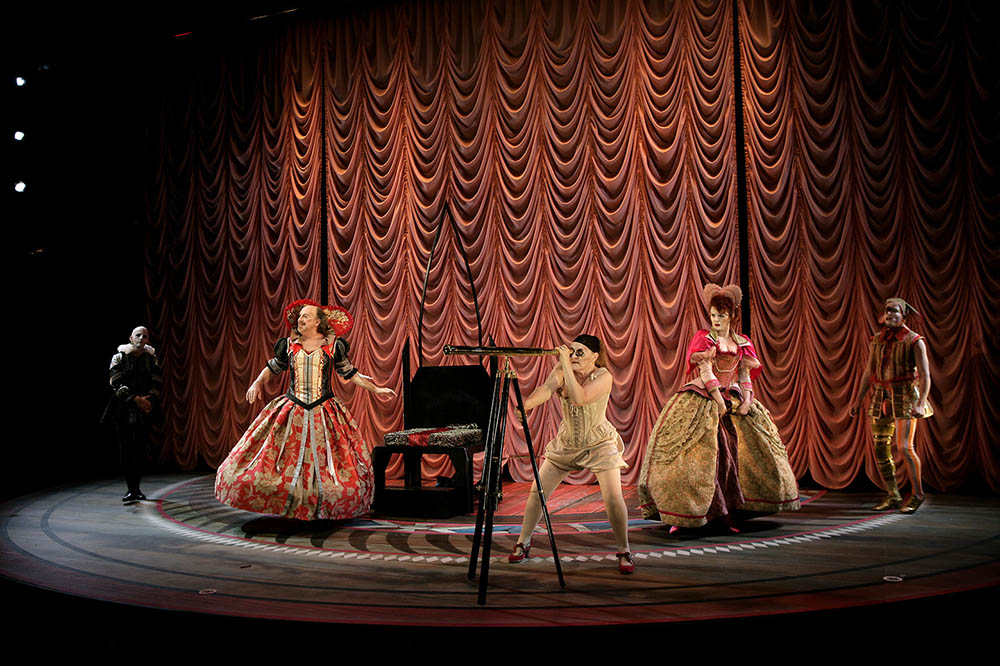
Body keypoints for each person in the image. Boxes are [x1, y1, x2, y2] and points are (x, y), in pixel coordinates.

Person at [638, 283, 800, 532]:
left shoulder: (742, 342)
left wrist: (746, 401)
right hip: (705, 397)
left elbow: (744, 374)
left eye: (721, 316)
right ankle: (686, 514)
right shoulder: (705, 339)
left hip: (733, 398)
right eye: (713, 315)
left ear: (732, 316)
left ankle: (730, 511)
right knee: (694, 457)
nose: (716, 320)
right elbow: (704, 371)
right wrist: (717, 399)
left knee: (738, 456)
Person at [215, 299, 395, 521]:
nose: (300, 319)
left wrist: (376, 389)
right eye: (299, 317)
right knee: (283, 459)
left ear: (318, 322)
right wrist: (256, 383)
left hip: (324, 408)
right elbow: (272, 368)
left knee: (326, 461)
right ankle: (291, 505)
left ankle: (319, 507)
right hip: (293, 407)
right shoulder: (289, 346)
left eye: (306, 316)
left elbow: (350, 374)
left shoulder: (333, 346)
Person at [507, 335, 635, 574]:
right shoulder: (563, 369)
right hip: (567, 443)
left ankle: (624, 550)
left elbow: (580, 398)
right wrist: (526, 406)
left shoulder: (604, 376)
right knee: (537, 491)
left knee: (613, 498)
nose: (574, 356)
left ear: (595, 357)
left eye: (580, 352)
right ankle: (523, 542)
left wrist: (564, 362)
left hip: (599, 443)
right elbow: (546, 389)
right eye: (571, 351)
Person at [850, 297, 932, 514]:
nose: (890, 315)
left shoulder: (915, 341)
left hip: (905, 396)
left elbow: (924, 375)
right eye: (887, 311)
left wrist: (921, 402)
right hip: (881, 397)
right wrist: (858, 401)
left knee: (905, 447)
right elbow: (869, 372)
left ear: (904, 315)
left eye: (894, 311)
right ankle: (893, 494)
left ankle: (917, 494)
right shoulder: (877, 340)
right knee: (880, 447)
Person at [103, 326, 162, 504]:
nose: (141, 338)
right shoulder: (119, 358)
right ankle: (130, 489)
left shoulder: (151, 359)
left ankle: (136, 488)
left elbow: (157, 382)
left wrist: (149, 399)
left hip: (144, 410)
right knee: (126, 450)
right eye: (138, 335)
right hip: (124, 409)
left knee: (140, 450)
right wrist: (136, 399)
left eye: (145, 336)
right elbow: (116, 383)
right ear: (131, 338)